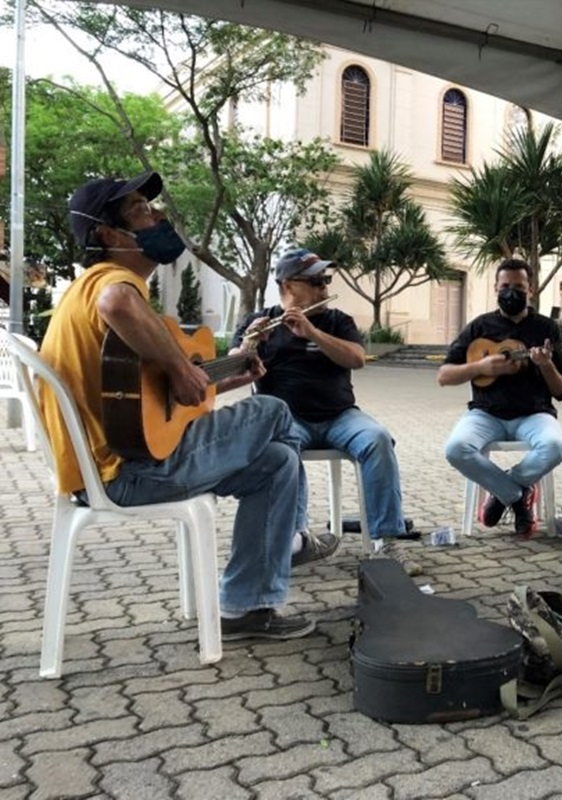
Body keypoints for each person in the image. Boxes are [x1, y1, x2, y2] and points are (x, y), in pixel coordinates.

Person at [43, 171, 314, 641]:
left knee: (279, 463)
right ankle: (298, 536)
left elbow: (149, 398)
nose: (158, 216)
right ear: (108, 234)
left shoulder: (88, 290)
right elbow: (117, 304)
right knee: (272, 411)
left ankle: (246, 608)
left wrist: (220, 380)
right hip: (123, 473)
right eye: (141, 211)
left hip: (129, 462)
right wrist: (179, 365)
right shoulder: (109, 281)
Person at [231, 249, 420, 576]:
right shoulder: (259, 321)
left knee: (378, 439)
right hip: (288, 419)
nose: (323, 288)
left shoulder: (337, 321)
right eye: (315, 281)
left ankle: (388, 541)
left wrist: (313, 333)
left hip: (340, 415)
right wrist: (249, 345)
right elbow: (233, 368)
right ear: (288, 285)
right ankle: (296, 539)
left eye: (326, 280)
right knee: (281, 451)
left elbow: (357, 359)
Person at [438, 258, 562, 537]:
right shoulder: (479, 327)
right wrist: (479, 368)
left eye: (519, 287)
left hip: (535, 413)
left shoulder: (547, 330)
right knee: (455, 448)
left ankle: (502, 493)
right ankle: (516, 495)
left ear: (530, 290)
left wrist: (546, 364)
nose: (512, 292)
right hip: (485, 412)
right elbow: (444, 376)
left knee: (555, 446)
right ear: (496, 288)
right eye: (505, 286)